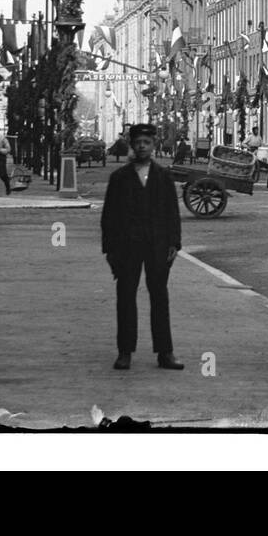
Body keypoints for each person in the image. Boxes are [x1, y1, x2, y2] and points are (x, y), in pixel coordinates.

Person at [100, 123, 184, 371]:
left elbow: (172, 213)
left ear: (153, 146)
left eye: (146, 143)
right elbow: (109, 216)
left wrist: (174, 243)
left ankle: (165, 353)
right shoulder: (119, 178)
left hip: (158, 246)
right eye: (138, 143)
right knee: (125, 297)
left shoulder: (163, 177)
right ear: (132, 145)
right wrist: (110, 250)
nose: (142, 147)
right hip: (127, 247)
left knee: (160, 297)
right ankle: (125, 352)